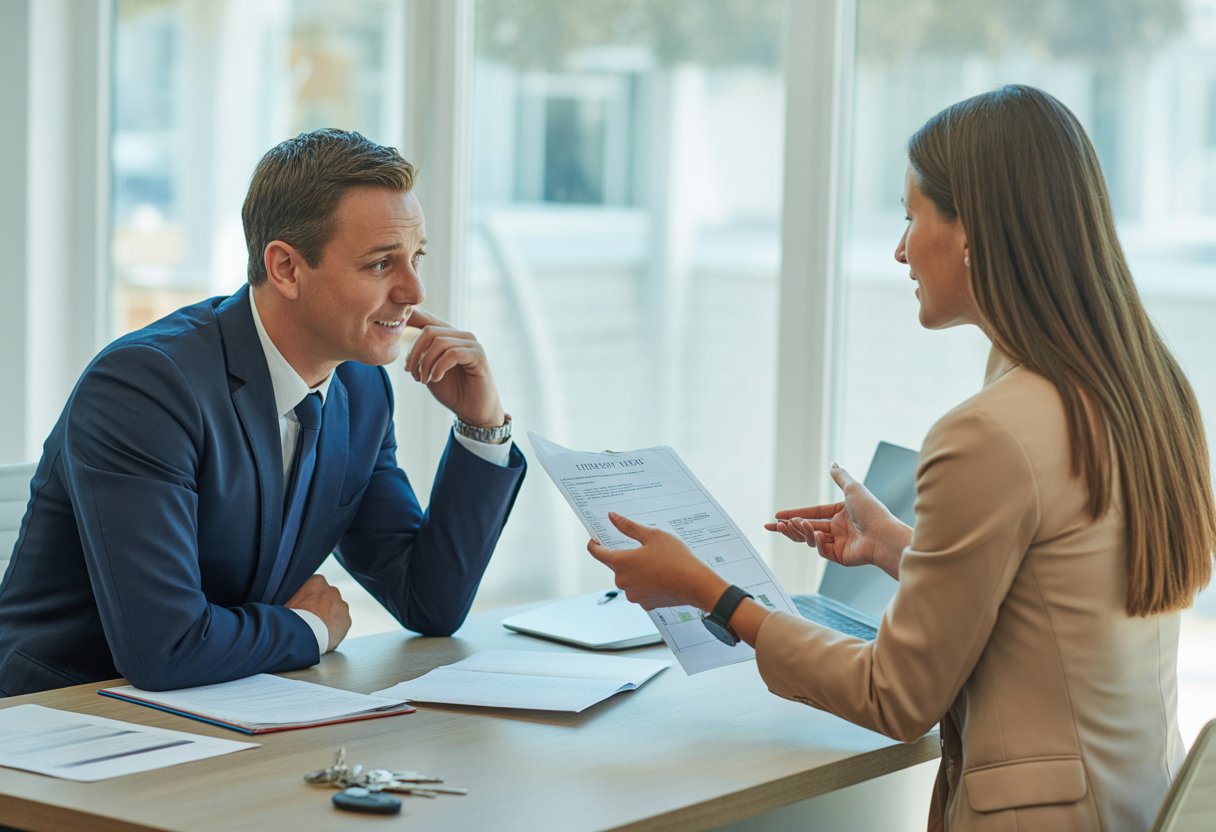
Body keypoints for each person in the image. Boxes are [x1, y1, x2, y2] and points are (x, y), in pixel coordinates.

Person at [588, 85, 1216, 831]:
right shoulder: (1148, 387)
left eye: (911, 214)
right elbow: (1060, 602)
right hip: (1138, 805)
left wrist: (716, 596)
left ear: (972, 230)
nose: (899, 247)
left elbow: (898, 696)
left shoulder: (990, 431)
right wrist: (899, 549)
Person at [0, 129, 525, 696]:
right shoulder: (145, 386)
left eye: (415, 258)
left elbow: (429, 602)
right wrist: (308, 626)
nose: (413, 290)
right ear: (286, 268)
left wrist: (482, 427)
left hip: (227, 704)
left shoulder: (361, 386)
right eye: (380, 265)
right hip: (65, 718)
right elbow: (165, 649)